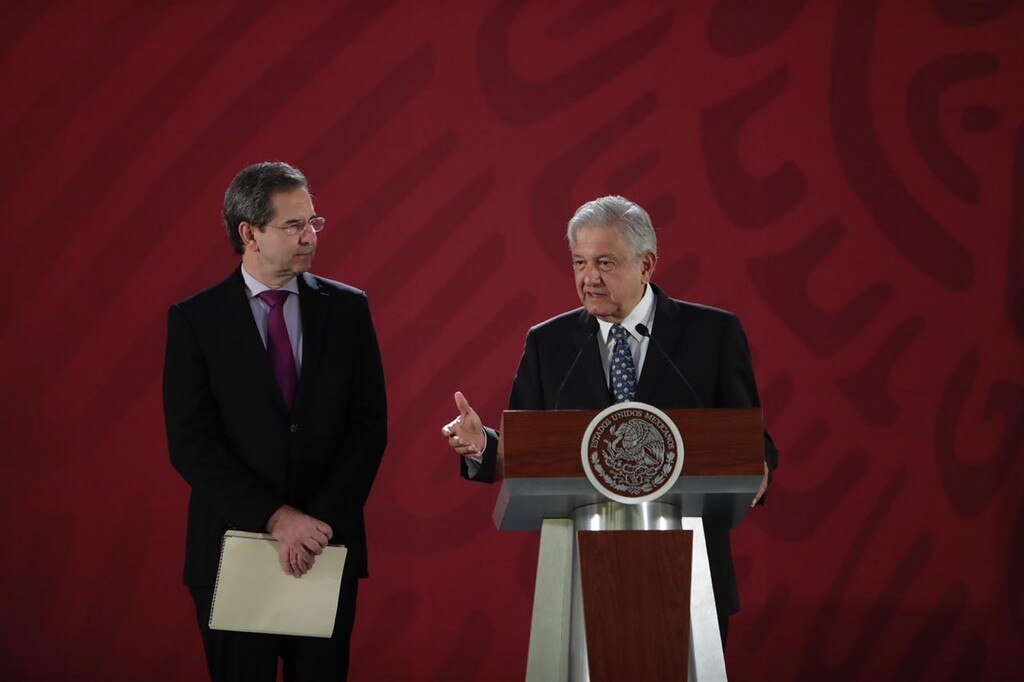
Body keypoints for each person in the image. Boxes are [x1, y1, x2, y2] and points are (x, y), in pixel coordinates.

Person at [441, 195, 777, 643]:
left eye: (605, 262)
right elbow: (527, 449)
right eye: (579, 262)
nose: (589, 278)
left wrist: (761, 466)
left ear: (647, 264)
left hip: (691, 565)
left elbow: (748, 438)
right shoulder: (549, 342)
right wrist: (483, 446)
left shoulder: (711, 334)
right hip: (582, 569)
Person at [164, 161, 387, 681]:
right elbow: (191, 442)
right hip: (232, 549)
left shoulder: (348, 310)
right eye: (294, 225)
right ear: (249, 234)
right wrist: (276, 518)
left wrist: (314, 527)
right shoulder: (197, 321)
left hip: (324, 548)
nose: (310, 235)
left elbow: (368, 428)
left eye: (314, 222)